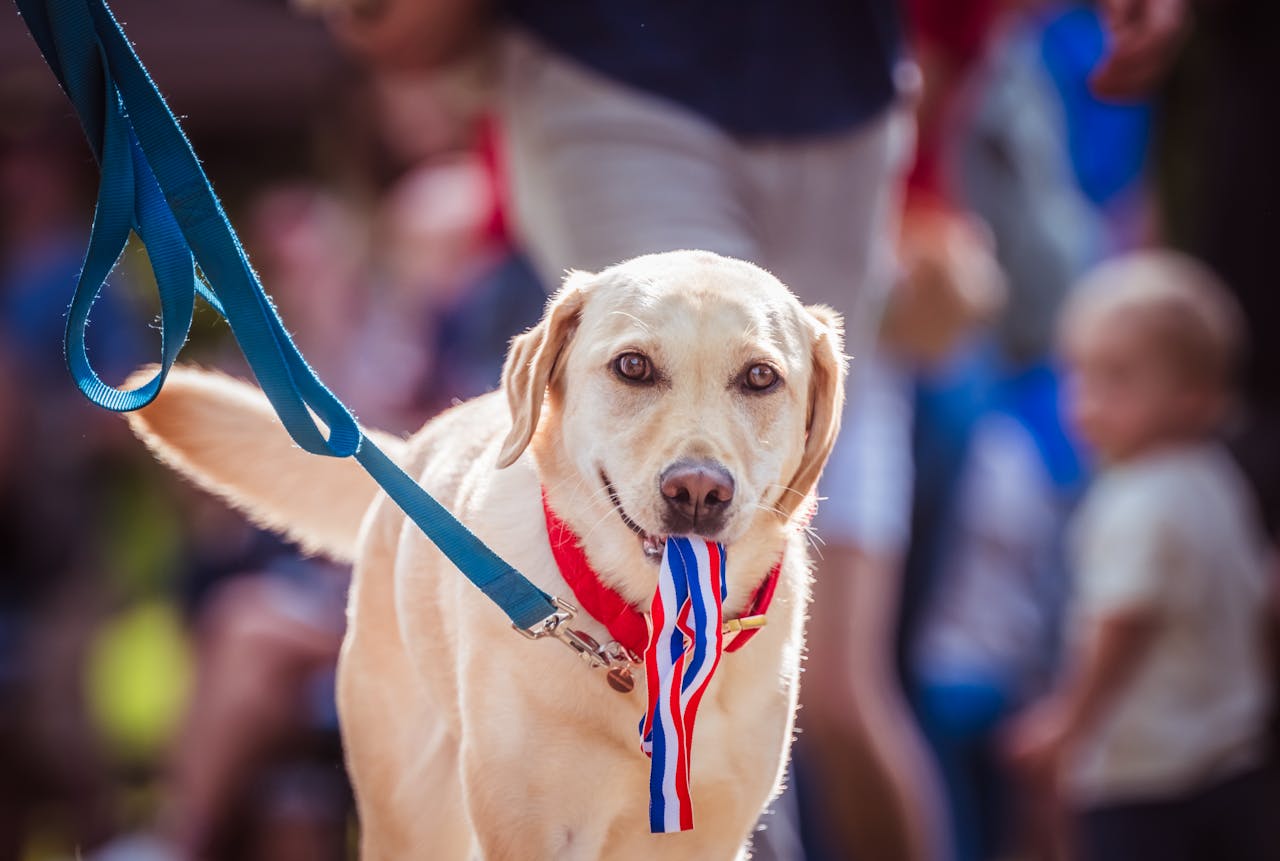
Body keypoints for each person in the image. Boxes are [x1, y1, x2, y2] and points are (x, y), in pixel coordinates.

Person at [1005, 250, 1278, 861]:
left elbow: (1124, 622)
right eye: (1080, 374)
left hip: (1143, 780)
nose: (1087, 400)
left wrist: (1068, 723)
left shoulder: (1138, 498)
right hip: (1237, 761)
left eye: (1117, 378)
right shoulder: (1219, 478)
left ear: (1194, 395)